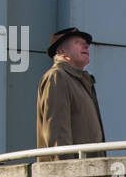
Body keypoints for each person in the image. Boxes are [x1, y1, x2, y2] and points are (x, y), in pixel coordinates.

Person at [36, 27, 106, 161]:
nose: (86, 45)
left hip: (90, 172)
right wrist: (67, 174)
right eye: (77, 42)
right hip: (71, 176)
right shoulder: (57, 77)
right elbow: (57, 134)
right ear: (61, 51)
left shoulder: (81, 81)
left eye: (85, 43)